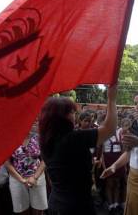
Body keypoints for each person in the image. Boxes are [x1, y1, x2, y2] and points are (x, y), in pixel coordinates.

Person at [39, 85, 118, 215]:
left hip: (56, 202)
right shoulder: (73, 138)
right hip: (76, 205)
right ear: (62, 117)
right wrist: (112, 99)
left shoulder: (46, 141)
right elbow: (110, 129)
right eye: (72, 112)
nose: (74, 115)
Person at [5, 120, 48, 215]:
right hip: (17, 179)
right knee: (22, 210)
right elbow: (7, 163)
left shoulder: (39, 138)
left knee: (38, 210)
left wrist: (35, 177)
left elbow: (44, 159)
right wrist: (22, 180)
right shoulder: (10, 140)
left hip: (37, 177)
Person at [101, 116, 127, 215]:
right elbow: (101, 152)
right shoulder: (103, 134)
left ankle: (116, 204)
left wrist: (123, 163)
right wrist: (104, 166)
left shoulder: (118, 132)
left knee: (117, 183)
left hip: (118, 158)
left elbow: (122, 148)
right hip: (108, 159)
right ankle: (110, 205)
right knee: (109, 183)